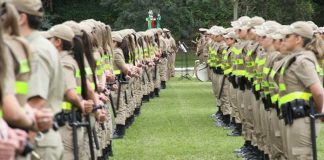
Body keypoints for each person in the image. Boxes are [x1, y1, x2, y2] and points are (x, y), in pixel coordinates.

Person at [8, 0, 65, 159]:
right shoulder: (33, 46)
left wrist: (24, 146)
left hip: (35, 143)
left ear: (21, 18)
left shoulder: (35, 51)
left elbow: (36, 101)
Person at [279, 21, 324, 160]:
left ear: (298, 39)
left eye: (287, 36)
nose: (284, 40)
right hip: (296, 115)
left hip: (302, 117)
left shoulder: (303, 61)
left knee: (301, 156)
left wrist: (319, 110)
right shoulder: (300, 58)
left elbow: (318, 91)